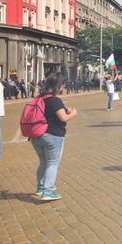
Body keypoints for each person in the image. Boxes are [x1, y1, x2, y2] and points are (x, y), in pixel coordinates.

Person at [29, 72, 78, 201]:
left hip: (36, 135)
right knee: (52, 163)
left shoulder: (39, 98)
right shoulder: (54, 100)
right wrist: (73, 113)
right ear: (58, 86)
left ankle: (40, 187)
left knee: (43, 162)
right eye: (62, 86)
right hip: (52, 135)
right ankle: (48, 191)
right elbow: (63, 117)